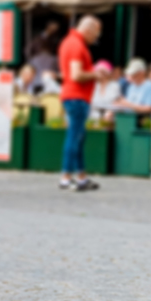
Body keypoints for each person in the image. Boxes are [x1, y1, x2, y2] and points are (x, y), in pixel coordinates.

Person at [57, 16, 105, 191]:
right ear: (89, 30)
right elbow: (76, 74)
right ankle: (66, 177)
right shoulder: (77, 45)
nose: (95, 39)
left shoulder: (68, 42)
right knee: (74, 136)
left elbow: (66, 73)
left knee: (78, 136)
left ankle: (81, 177)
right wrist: (95, 74)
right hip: (77, 96)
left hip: (73, 96)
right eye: (95, 35)